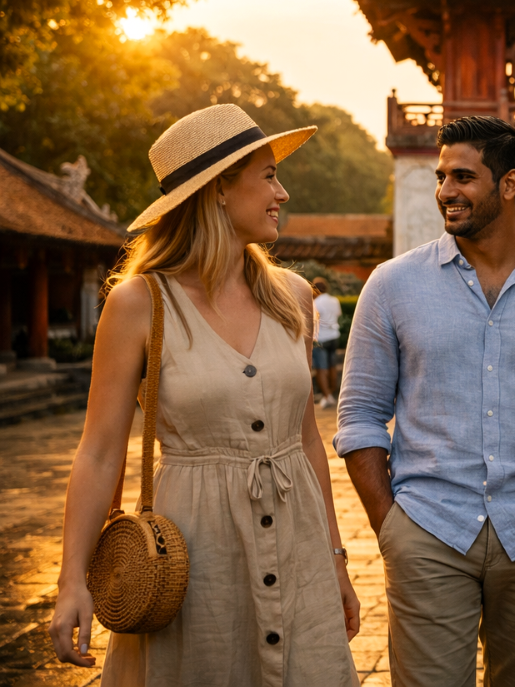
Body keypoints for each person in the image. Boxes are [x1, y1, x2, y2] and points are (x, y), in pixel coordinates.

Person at [48, 104, 361, 685]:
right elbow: (97, 452)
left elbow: (305, 441)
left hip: (299, 555)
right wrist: (72, 580)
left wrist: (336, 560)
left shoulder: (291, 295)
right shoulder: (139, 303)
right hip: (193, 557)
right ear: (219, 189)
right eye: (268, 175)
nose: (283, 192)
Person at [335, 115, 515, 687]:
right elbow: (359, 417)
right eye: (442, 177)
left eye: (463, 177)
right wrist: (389, 526)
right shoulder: (392, 285)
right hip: (428, 531)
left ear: (509, 184)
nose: (446, 192)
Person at [311, 276, 342, 408]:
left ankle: (327, 396)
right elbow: (338, 314)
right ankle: (332, 394)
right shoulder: (334, 300)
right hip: (334, 336)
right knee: (332, 367)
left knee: (321, 369)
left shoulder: (315, 302)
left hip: (321, 339)